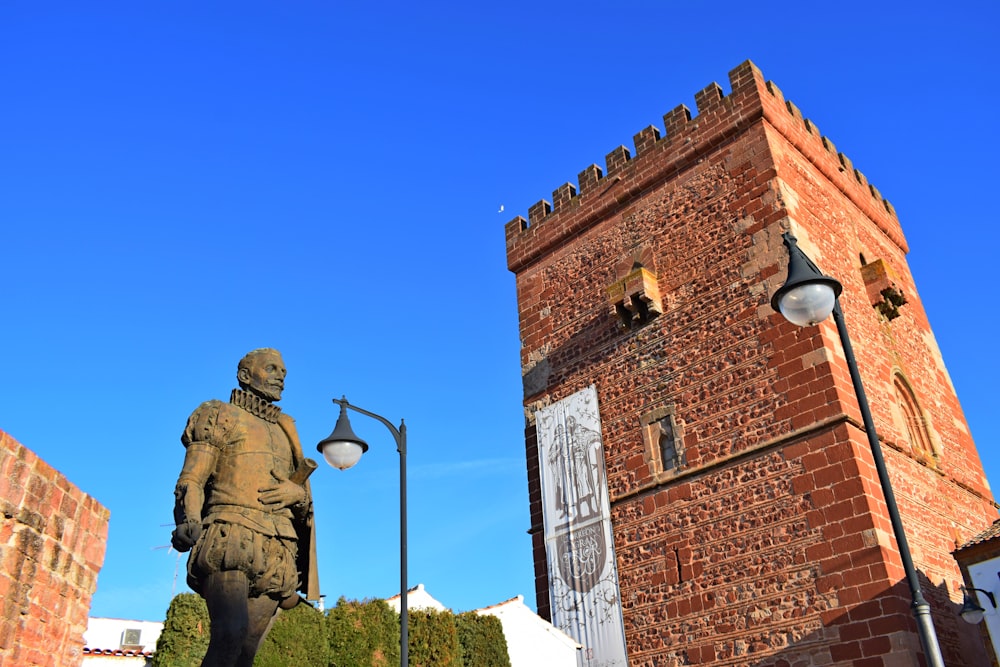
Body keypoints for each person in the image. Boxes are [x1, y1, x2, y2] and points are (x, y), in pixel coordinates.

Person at [171, 348, 319, 667]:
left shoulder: (286, 429)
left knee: (246, 654)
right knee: (229, 636)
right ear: (245, 375)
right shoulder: (219, 414)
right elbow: (192, 478)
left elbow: (304, 504)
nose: (281, 375)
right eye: (271, 368)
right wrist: (189, 518)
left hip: (279, 548)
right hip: (230, 537)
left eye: (283, 371)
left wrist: (298, 494)